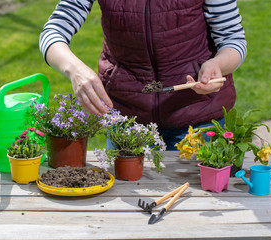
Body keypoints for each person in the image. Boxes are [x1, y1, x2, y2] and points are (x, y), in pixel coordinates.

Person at [39, 0, 247, 150]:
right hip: (128, 122)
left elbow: (233, 39)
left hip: (198, 117)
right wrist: (75, 70)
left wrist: (218, 64)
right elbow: (53, 32)